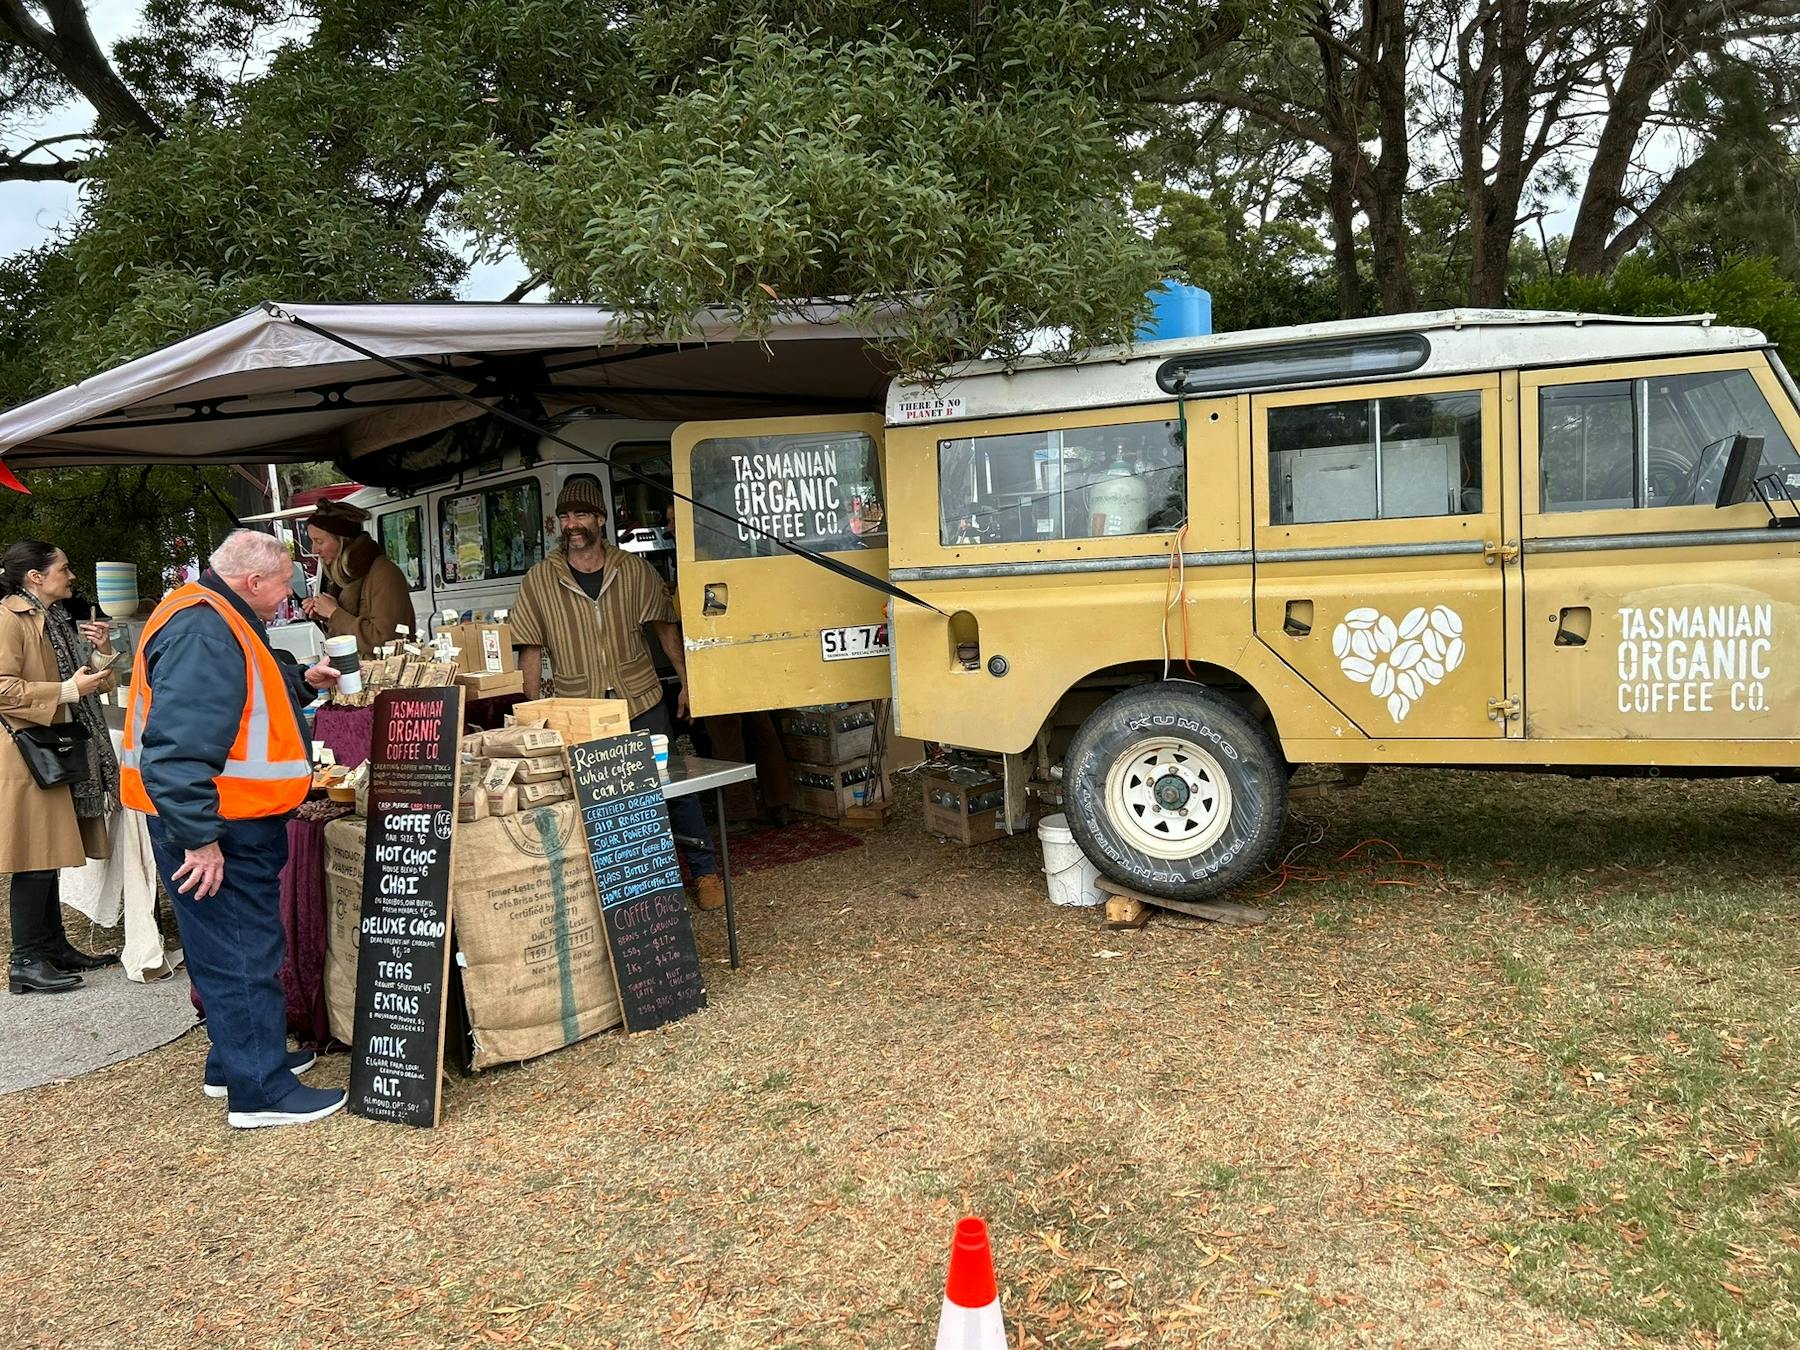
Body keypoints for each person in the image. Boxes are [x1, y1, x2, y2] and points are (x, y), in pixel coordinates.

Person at [121, 529, 347, 1129]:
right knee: (242, 948)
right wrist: (200, 837)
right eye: (282, 587)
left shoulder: (213, 614)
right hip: (221, 823)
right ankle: (260, 1092)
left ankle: (237, 1061)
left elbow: (246, 697)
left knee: (225, 947)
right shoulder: (205, 627)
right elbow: (177, 749)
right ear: (253, 581)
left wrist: (303, 682)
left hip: (222, 817)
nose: (286, 598)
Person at [511, 480, 724, 910]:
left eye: (582, 516)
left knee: (672, 786)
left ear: (600, 520)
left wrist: (687, 683)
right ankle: (626, 887)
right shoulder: (540, 580)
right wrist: (529, 712)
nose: (572, 525)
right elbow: (530, 650)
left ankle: (705, 872)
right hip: (580, 707)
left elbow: (665, 630)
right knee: (594, 799)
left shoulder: (632, 570)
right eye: (566, 517)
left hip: (640, 698)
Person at [2, 541, 120, 994]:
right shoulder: (9, 619)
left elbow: (86, 684)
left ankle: (51, 947)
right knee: (33, 856)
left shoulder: (51, 618)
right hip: (26, 752)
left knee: (47, 852)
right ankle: (25, 960)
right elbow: (4, 688)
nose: (70, 576)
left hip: (54, 746)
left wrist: (102, 652)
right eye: (63, 569)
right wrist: (67, 690)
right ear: (35, 576)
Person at [300, 500, 413, 657]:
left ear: (342, 540)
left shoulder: (384, 574)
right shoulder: (345, 577)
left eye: (320, 541)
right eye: (312, 541)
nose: (314, 550)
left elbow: (388, 640)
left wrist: (334, 613)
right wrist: (325, 614)